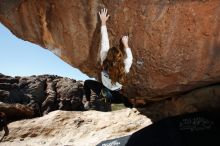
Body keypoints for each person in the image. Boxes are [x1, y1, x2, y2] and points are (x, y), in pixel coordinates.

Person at [83, 8, 133, 110]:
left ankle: (88, 102)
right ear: (120, 57)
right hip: (116, 96)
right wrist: (126, 44)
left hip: (105, 94)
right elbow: (130, 58)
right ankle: (122, 106)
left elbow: (104, 41)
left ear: (108, 55)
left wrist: (103, 22)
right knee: (128, 104)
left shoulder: (104, 59)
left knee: (87, 83)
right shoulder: (125, 66)